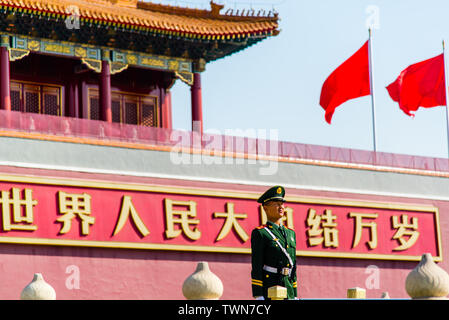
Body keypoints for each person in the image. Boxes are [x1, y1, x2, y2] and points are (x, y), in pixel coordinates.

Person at [251, 185, 298, 300]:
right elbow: (257, 266)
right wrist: (259, 295)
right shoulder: (261, 233)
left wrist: (295, 293)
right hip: (270, 288)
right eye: (276, 203)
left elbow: (293, 267)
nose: (281, 206)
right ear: (265, 207)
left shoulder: (291, 233)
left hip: (288, 289)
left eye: (282, 203)